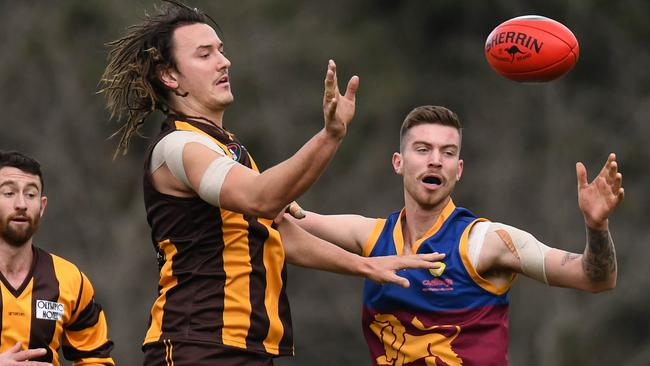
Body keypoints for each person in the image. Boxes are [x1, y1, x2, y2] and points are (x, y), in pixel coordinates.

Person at [100, 1, 443, 365]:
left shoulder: (229, 151)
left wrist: (366, 265)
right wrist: (330, 136)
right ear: (169, 76)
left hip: (247, 349)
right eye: (205, 54)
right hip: (197, 345)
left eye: (221, 50)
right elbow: (261, 198)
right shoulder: (178, 146)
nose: (224, 61)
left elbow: (277, 233)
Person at [283, 105, 624, 365]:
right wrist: (329, 135)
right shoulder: (371, 237)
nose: (436, 161)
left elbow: (595, 278)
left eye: (448, 153)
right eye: (423, 149)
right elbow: (277, 216)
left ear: (458, 170)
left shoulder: (486, 242)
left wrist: (596, 227)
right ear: (398, 162)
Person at [0, 151, 115, 366]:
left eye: (31, 194)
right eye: (9, 193)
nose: (21, 204)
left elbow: (96, 359)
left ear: (42, 206)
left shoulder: (70, 279)